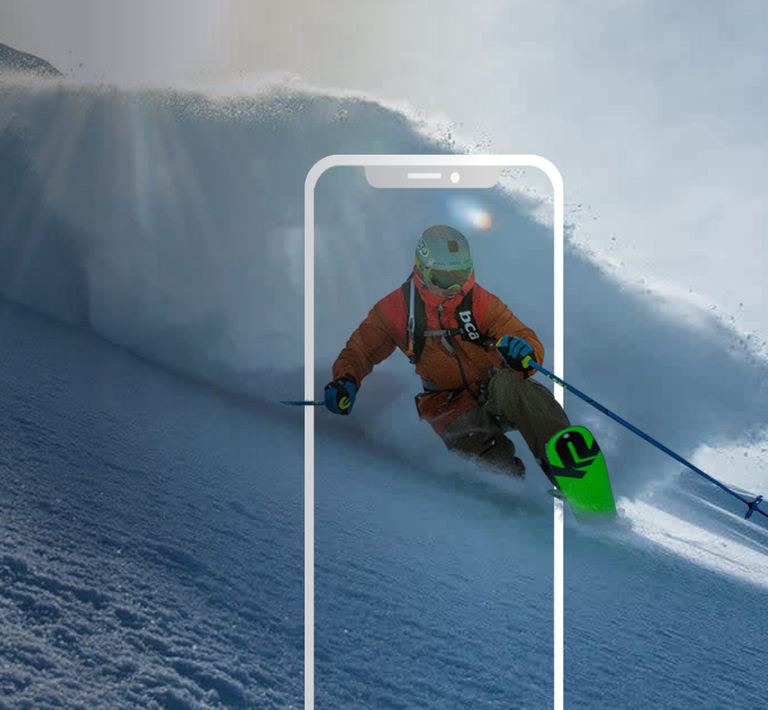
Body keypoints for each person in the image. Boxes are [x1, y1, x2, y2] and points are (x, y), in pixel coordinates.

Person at [323, 225, 570, 484]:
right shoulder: (397, 310)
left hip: (496, 385)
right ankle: (512, 498)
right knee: (484, 454)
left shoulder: (479, 302)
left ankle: (570, 467)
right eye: (444, 278)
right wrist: (346, 379)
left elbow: (522, 335)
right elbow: (361, 350)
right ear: (421, 272)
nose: (454, 286)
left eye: (462, 274)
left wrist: (525, 351)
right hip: (448, 404)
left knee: (523, 391)